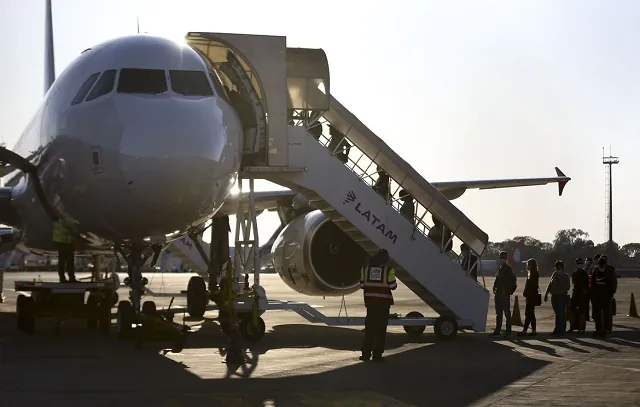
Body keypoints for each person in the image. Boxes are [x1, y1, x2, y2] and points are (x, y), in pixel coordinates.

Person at [359, 248, 397, 362]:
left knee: (369, 330)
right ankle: (377, 355)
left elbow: (361, 284)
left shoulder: (366, 269)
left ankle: (365, 354)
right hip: (383, 305)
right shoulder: (388, 270)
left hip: (370, 304)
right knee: (381, 331)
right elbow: (393, 286)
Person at [491, 251, 517, 338]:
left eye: (502, 257)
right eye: (500, 257)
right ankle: (498, 329)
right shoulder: (500, 268)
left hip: (504, 293)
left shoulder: (507, 269)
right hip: (498, 293)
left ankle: (508, 331)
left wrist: (505, 291)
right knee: (499, 313)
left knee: (506, 312)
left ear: (505, 258)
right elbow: (498, 279)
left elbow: (509, 281)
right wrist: (494, 286)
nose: (501, 259)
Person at [591, 255, 616, 338]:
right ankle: (598, 330)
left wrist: (611, 293)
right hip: (597, 296)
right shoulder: (596, 271)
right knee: (597, 314)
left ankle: (607, 329)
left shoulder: (610, 272)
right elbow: (592, 282)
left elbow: (613, 283)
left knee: (607, 314)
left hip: (606, 296)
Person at [544, 260, 571, 335]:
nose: (557, 268)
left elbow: (567, 287)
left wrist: (560, 282)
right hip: (554, 295)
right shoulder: (554, 274)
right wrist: (546, 294)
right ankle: (557, 329)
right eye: (556, 266)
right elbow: (550, 284)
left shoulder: (565, 276)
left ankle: (562, 329)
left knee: (561, 313)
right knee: (557, 314)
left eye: (559, 266)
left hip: (561, 296)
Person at [518, 258, 540, 336]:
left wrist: (526, 292)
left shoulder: (532, 274)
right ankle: (532, 330)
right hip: (531, 296)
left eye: (528, 264)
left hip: (531, 296)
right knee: (531, 314)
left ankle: (525, 331)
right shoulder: (533, 273)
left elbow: (531, 286)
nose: (527, 266)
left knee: (529, 313)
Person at [568, 258, 590, 333]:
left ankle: (581, 328)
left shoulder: (583, 273)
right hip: (576, 293)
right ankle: (573, 326)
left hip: (582, 293)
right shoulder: (576, 273)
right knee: (573, 310)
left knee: (581, 311)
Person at [53, 218, 77, 283]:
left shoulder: (57, 220)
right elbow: (70, 228)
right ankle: (71, 278)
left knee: (62, 261)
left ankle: (62, 278)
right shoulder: (65, 220)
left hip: (60, 242)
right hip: (65, 243)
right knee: (69, 261)